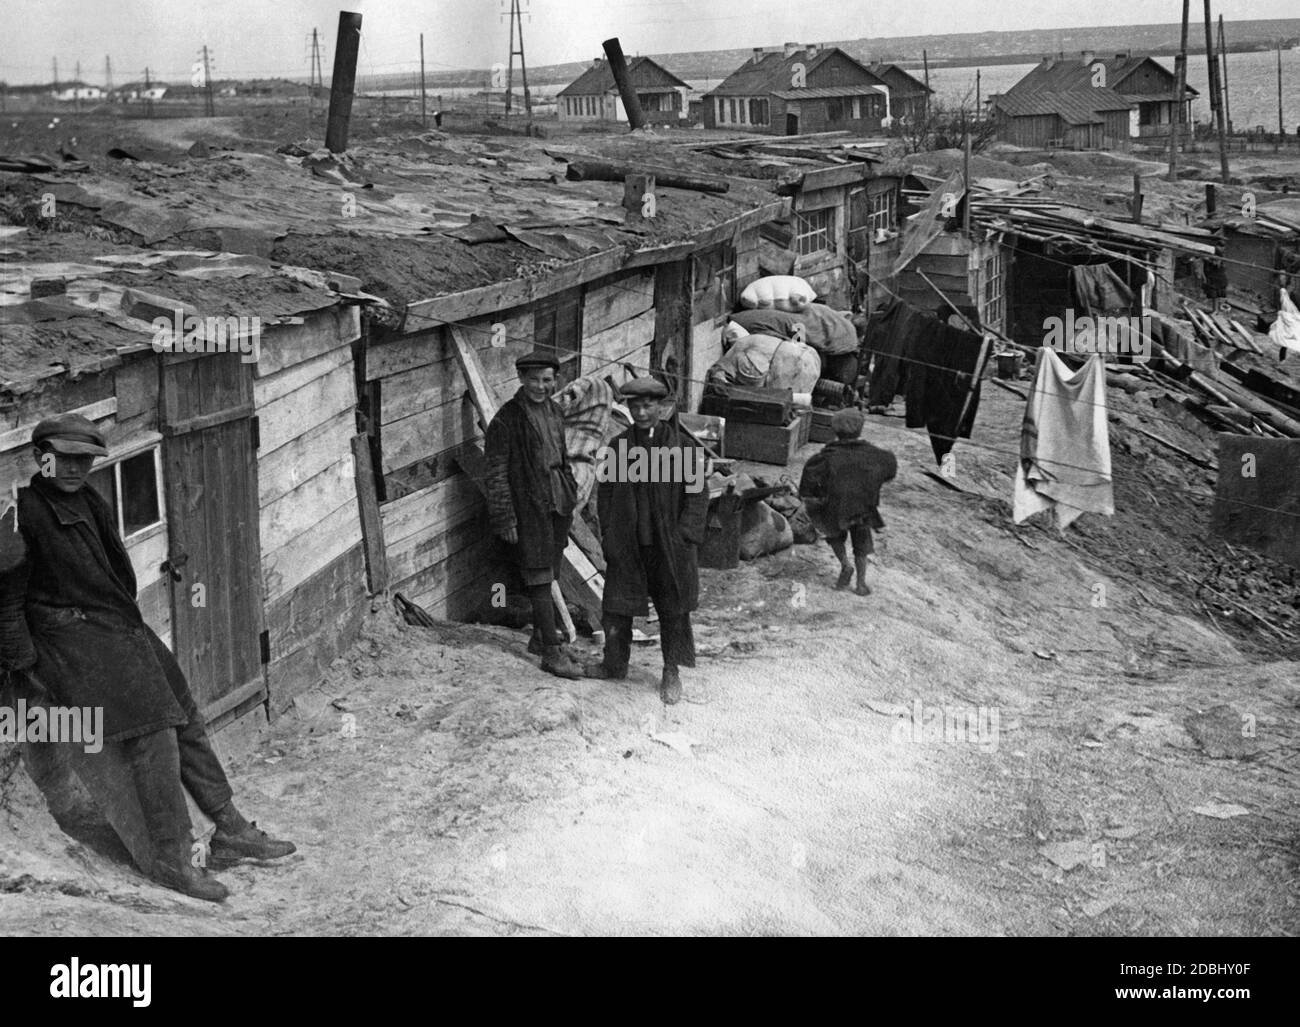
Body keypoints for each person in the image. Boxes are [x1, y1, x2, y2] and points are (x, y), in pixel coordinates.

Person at [0, 414, 294, 903]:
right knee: (153, 734)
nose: (76, 467)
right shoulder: (20, 515)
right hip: (71, 641)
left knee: (185, 714)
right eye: (65, 457)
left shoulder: (88, 500)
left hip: (118, 627)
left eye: (85, 459)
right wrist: (26, 668)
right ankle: (172, 859)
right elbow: (5, 601)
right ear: (40, 457)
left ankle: (229, 827)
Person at [584, 377, 708, 705]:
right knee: (616, 606)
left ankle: (671, 670)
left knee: (673, 608)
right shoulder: (618, 448)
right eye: (635, 406)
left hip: (669, 545)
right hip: (629, 543)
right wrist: (609, 535)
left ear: (661, 407)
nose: (641, 412)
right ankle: (614, 663)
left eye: (648, 406)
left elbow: (697, 496)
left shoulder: (681, 447)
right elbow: (605, 496)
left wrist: (686, 535)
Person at [484, 350, 583, 679]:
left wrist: (570, 489)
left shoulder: (554, 410)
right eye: (534, 380)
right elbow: (495, 473)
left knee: (551, 569)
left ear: (555, 380)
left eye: (547, 380)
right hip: (529, 507)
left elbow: (563, 456)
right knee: (538, 576)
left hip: (557, 502)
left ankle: (541, 638)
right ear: (521, 380)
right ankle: (552, 654)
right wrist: (505, 518)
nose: (541, 386)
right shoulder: (506, 420)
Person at [799, 407, 897, 597]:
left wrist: (815, 495)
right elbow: (890, 469)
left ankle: (845, 564)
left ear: (835, 431)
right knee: (861, 544)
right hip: (862, 507)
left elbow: (809, 482)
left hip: (835, 507)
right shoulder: (876, 455)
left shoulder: (825, 456)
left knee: (833, 534)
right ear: (860, 429)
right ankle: (861, 584)